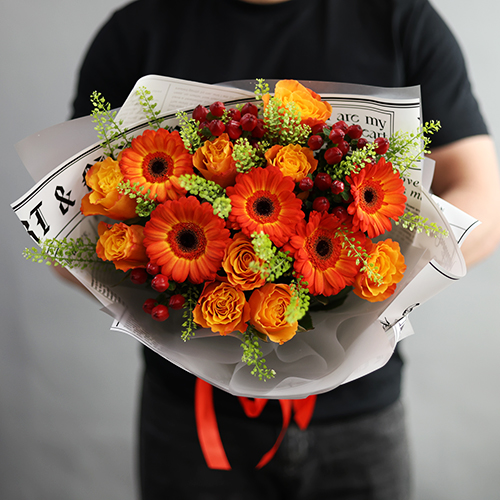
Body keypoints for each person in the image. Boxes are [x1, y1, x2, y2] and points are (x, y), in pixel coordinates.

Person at [68, 0, 500, 499]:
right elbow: (72, 231)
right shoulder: (136, 32)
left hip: (359, 417)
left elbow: (482, 199)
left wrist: (371, 273)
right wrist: (200, 290)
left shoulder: (400, 18)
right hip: (191, 422)